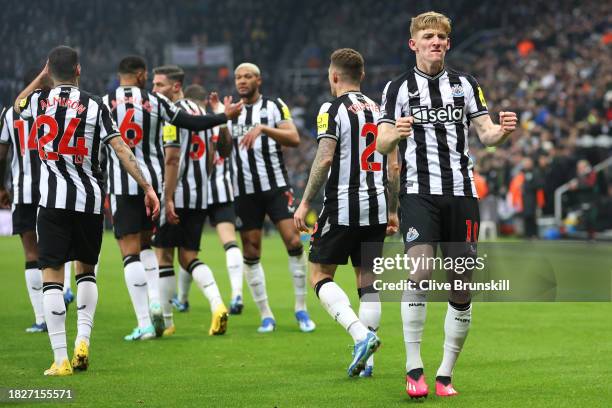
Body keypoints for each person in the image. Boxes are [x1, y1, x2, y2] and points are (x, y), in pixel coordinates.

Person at [376, 12, 518, 397]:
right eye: (428, 36)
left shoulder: (466, 85)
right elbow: (382, 142)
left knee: (460, 287)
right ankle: (413, 368)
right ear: (414, 44)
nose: (435, 42)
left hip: (462, 194)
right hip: (419, 193)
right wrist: (395, 135)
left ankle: (444, 374)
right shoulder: (397, 88)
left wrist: (501, 133)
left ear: (448, 43)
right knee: (419, 272)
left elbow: (485, 135)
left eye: (441, 37)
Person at [14, 45, 161, 376]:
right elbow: (121, 148)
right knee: (86, 271)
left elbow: (17, 104)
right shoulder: (96, 105)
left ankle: (60, 358)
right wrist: (147, 187)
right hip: (90, 203)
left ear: (50, 71)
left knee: (51, 274)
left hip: (51, 202)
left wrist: (41, 78)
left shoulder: (39, 102)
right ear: (78, 70)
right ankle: (83, 340)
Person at [102, 56, 241, 340]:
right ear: (140, 75)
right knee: (151, 248)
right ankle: (160, 304)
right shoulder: (158, 103)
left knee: (132, 253)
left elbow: (173, 156)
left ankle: (147, 317)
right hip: (154, 185)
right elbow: (193, 123)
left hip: (125, 184)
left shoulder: (104, 101)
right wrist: (224, 116)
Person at [294, 48, 399, 377]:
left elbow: (325, 159)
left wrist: (305, 202)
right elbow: (393, 166)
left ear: (334, 76)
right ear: (362, 76)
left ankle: (361, 336)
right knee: (367, 280)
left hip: (342, 204)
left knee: (319, 275)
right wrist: (393, 210)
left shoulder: (331, 108)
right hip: (378, 205)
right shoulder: (379, 109)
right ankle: (369, 364)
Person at [229, 62, 315, 333]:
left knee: (293, 240)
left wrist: (264, 129)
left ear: (259, 80)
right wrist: (223, 122)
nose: (242, 81)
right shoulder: (232, 110)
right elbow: (221, 147)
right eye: (238, 77)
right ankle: (266, 314)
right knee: (251, 249)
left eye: (247, 76)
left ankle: (301, 309)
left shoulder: (275, 105)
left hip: (276, 185)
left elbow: (293, 138)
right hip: (244, 190)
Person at [152, 65, 235, 336]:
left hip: (176, 195)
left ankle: (166, 321)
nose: (155, 92)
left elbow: (172, 158)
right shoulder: (202, 112)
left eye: (160, 86)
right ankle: (217, 304)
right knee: (189, 257)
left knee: (164, 255)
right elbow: (215, 153)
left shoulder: (172, 115)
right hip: (200, 195)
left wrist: (167, 198)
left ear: (176, 87)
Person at [172, 84, 244, 316]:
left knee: (188, 248)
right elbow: (226, 151)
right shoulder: (219, 120)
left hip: (195, 192)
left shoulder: (188, 121)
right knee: (230, 242)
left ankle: (182, 299)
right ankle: (236, 295)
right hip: (222, 190)